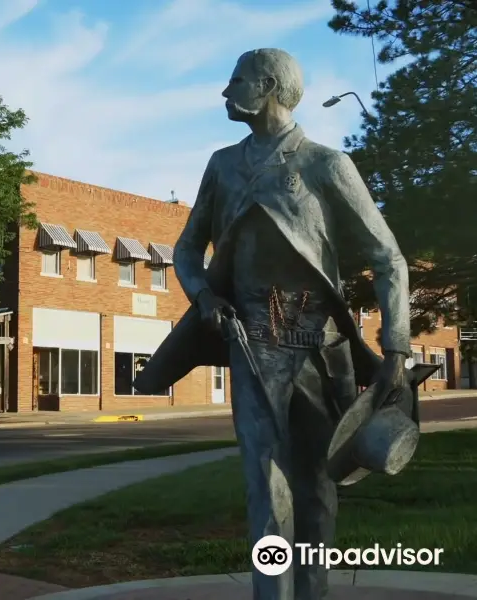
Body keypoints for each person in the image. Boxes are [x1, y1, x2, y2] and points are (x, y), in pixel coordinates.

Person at [134, 48, 410, 600]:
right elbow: (186, 251)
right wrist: (205, 297)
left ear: (267, 85)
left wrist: (396, 349)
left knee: (315, 483)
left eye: (234, 80)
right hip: (251, 339)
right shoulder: (222, 165)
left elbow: (389, 260)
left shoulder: (327, 165)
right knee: (265, 482)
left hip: (320, 345)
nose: (225, 91)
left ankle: (312, 591)